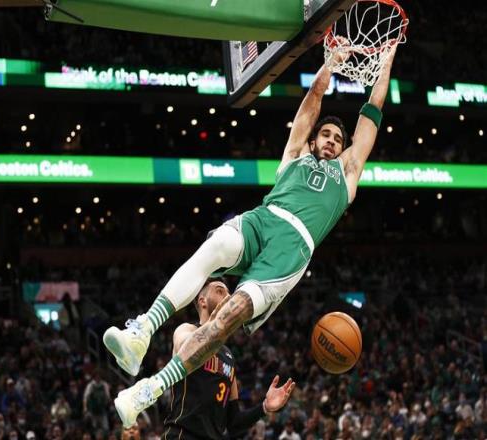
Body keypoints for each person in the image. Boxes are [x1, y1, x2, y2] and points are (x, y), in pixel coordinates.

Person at [104, 42, 399, 427]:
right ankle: (142, 331)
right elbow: (313, 99)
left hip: (291, 249)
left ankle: (149, 389)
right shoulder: (295, 155)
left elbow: (372, 111)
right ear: (312, 140)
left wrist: (386, 59)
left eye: (337, 139)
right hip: (264, 218)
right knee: (215, 246)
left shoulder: (347, 173)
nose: (330, 140)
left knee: (229, 316)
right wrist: (329, 64)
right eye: (325, 134)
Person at [157, 279, 295, 439]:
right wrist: (214, 327)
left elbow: (234, 423)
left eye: (229, 293)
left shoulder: (228, 356)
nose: (228, 297)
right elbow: (184, 347)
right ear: (202, 301)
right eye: (219, 291)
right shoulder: (186, 330)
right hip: (182, 434)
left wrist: (264, 407)